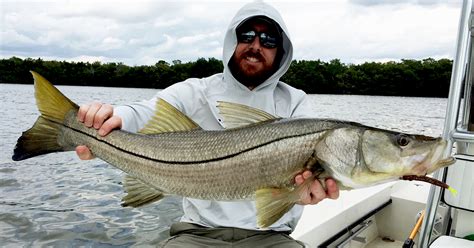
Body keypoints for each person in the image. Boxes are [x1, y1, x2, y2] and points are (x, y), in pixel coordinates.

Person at [76, 1, 339, 247]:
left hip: (271, 237)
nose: (256, 45)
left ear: (281, 52)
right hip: (195, 234)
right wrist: (108, 117)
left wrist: (303, 192)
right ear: (231, 41)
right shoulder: (195, 91)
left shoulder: (295, 102)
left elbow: (311, 174)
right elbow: (142, 113)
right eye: (247, 35)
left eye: (269, 39)